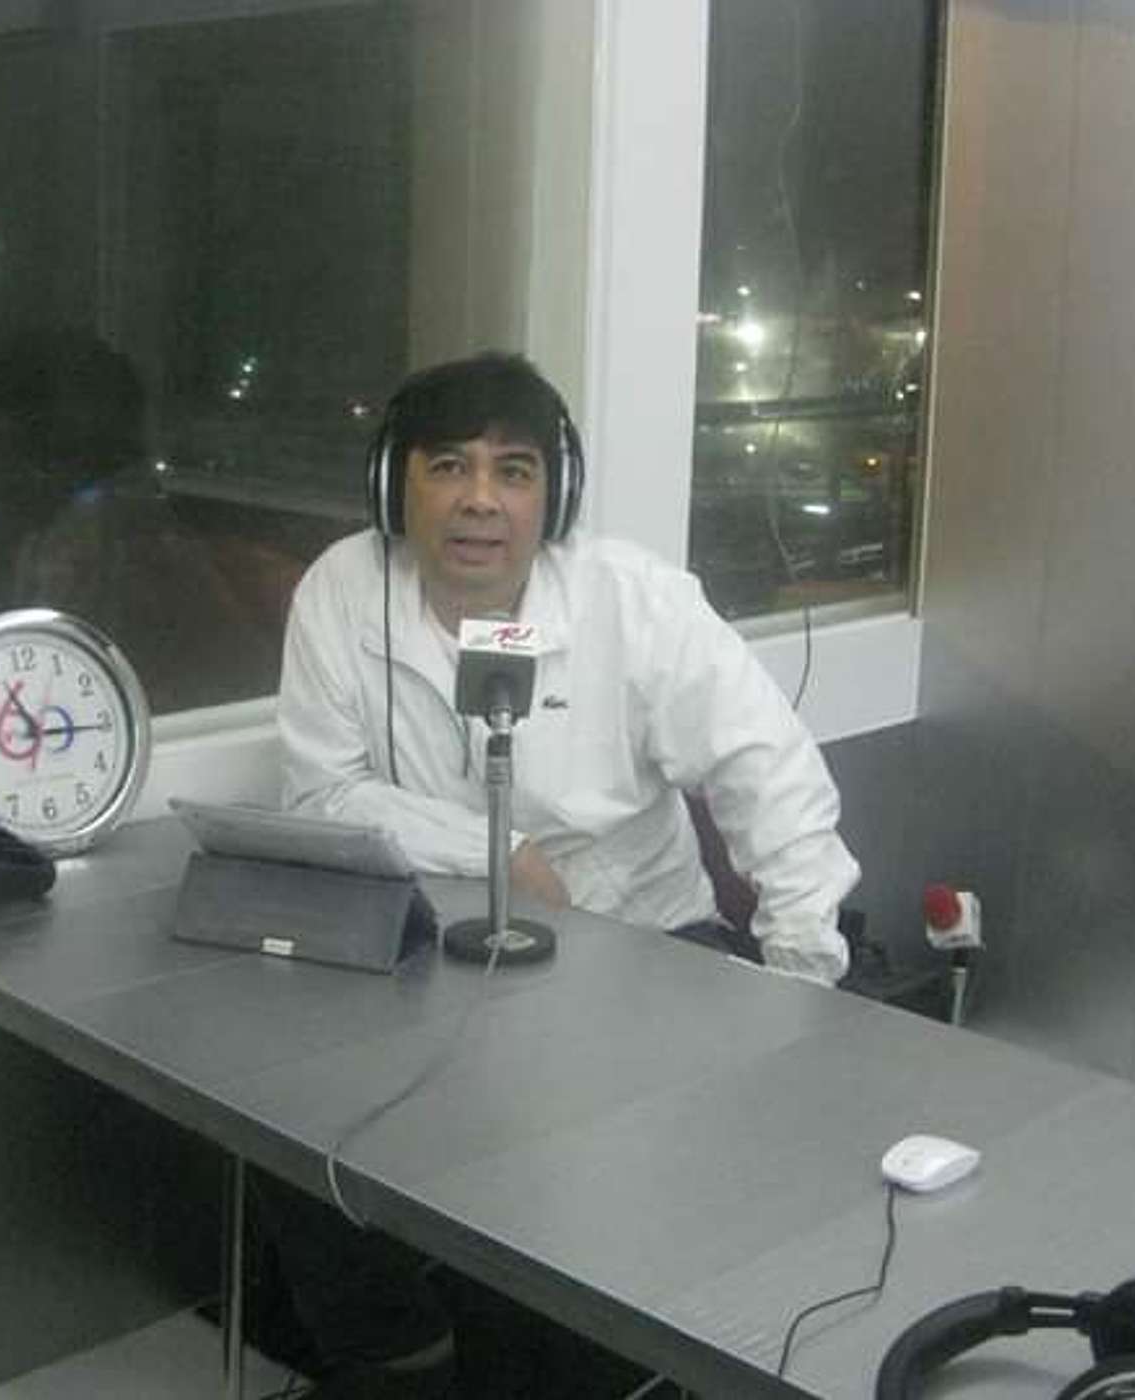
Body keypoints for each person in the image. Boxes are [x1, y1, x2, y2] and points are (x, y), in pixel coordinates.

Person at [263, 352, 860, 1397]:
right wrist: (493, 850)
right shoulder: (343, 590)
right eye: (448, 465)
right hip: (439, 949)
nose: (480, 499)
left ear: (555, 493)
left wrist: (798, 982)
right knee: (288, 1129)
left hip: (643, 949)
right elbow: (321, 792)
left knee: (562, 1201)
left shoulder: (633, 599)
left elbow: (769, 773)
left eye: (514, 470)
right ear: (395, 484)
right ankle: (400, 1360)